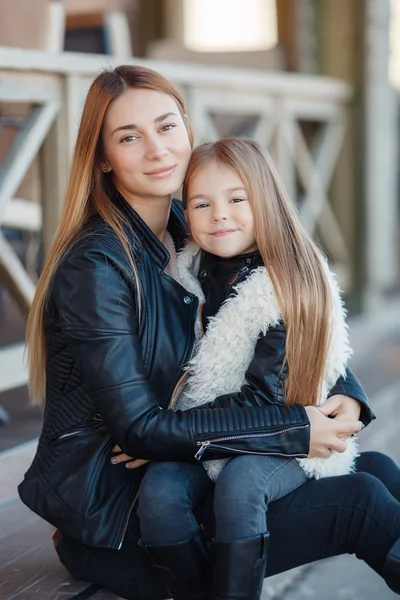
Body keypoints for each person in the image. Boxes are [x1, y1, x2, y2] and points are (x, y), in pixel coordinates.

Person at [15, 64, 397, 600]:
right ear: (102, 157)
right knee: (361, 501)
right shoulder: (97, 268)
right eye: (129, 137)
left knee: (376, 466)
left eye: (167, 126)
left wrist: (346, 396)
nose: (157, 149)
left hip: (189, 467)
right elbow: (140, 431)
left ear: (187, 129)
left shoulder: (190, 224)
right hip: (124, 513)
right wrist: (295, 428)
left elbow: (274, 315)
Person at [134, 137, 400, 600]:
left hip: (284, 434)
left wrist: (164, 431)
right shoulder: (186, 270)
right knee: (158, 493)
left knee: (241, 484)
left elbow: (269, 397)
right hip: (205, 433)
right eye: (201, 203)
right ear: (185, 212)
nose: (219, 214)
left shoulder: (284, 283)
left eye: (237, 199)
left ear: (268, 201)